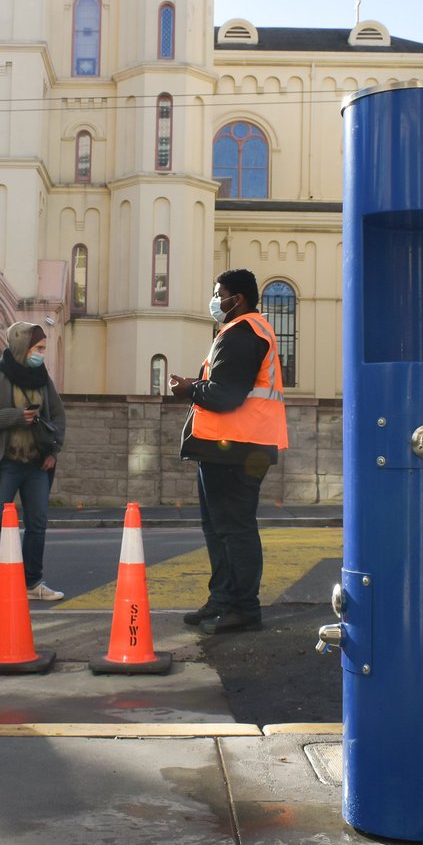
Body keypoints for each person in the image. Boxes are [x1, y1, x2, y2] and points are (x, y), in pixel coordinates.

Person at [169, 269, 289, 634]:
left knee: (234, 530)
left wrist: (189, 388)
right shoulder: (247, 331)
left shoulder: (242, 334)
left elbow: (225, 395)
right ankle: (223, 599)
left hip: (235, 448)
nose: (214, 299)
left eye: (218, 292)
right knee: (220, 528)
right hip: (232, 447)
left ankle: (243, 608)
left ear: (236, 299)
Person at [0, 322, 66, 605]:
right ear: (22, 347)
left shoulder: (43, 380)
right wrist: (16, 416)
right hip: (4, 464)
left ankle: (33, 583)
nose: (42, 354)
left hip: (36, 465)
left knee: (37, 525)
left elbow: (58, 417)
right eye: (38, 348)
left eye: (43, 348)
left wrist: (53, 451)